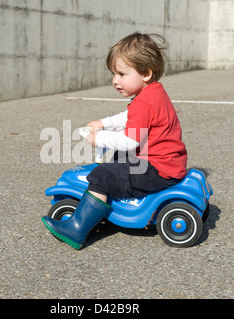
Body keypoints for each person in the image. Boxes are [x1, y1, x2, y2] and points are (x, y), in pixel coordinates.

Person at [42, 32, 188, 249]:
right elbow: (129, 118)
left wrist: (99, 138)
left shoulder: (144, 103)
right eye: (113, 74)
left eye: (121, 74)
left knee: (102, 175)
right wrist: (103, 123)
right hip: (167, 162)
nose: (115, 81)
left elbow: (130, 140)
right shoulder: (153, 93)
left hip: (155, 170)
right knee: (118, 157)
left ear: (145, 73)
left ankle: (76, 229)